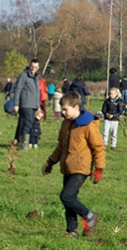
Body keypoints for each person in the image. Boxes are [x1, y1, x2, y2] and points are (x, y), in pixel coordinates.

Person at [41, 91, 105, 238]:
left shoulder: (88, 125)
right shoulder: (66, 123)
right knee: (69, 200)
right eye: (61, 109)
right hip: (67, 167)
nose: (63, 112)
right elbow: (61, 146)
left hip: (80, 168)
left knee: (66, 196)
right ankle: (71, 230)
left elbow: (98, 147)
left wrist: (99, 169)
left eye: (65, 109)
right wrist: (50, 162)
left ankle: (89, 216)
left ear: (76, 107)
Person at [12, 59, 41, 150]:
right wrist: (16, 104)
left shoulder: (37, 78)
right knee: (27, 124)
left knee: (31, 124)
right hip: (26, 104)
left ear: (38, 68)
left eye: (35, 67)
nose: (33, 69)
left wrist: (38, 106)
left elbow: (37, 93)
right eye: (32, 67)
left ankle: (22, 142)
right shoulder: (23, 76)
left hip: (34, 105)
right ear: (29, 66)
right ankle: (24, 145)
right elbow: (18, 90)